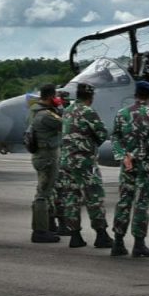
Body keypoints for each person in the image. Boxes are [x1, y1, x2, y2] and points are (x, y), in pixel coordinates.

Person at [57, 83, 114, 249]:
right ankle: (101, 235)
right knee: (94, 197)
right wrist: (91, 144)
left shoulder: (67, 111)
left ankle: (75, 236)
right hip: (84, 162)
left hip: (67, 161)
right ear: (91, 97)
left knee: (71, 197)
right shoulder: (88, 111)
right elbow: (102, 133)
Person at [110, 80, 149, 257]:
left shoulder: (121, 113)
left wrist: (124, 156)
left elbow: (115, 137)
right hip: (145, 167)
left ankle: (118, 242)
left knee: (124, 201)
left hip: (127, 166)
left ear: (135, 95)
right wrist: (134, 155)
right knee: (141, 204)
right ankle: (139, 244)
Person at [29, 84, 63, 243]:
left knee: (44, 190)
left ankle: (47, 225)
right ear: (51, 97)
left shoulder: (33, 111)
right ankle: (40, 232)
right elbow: (65, 124)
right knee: (43, 194)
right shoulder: (46, 115)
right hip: (47, 156)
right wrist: (61, 107)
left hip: (40, 155)